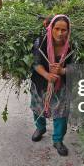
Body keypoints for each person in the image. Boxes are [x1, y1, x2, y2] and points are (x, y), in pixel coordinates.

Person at [30, 14, 74, 156]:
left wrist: (61, 70)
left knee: (61, 112)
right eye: (57, 29)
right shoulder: (40, 42)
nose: (60, 33)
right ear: (51, 28)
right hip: (41, 81)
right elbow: (35, 64)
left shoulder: (72, 46)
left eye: (64, 30)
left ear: (68, 30)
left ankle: (58, 140)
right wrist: (48, 75)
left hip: (62, 84)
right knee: (39, 106)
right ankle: (40, 127)